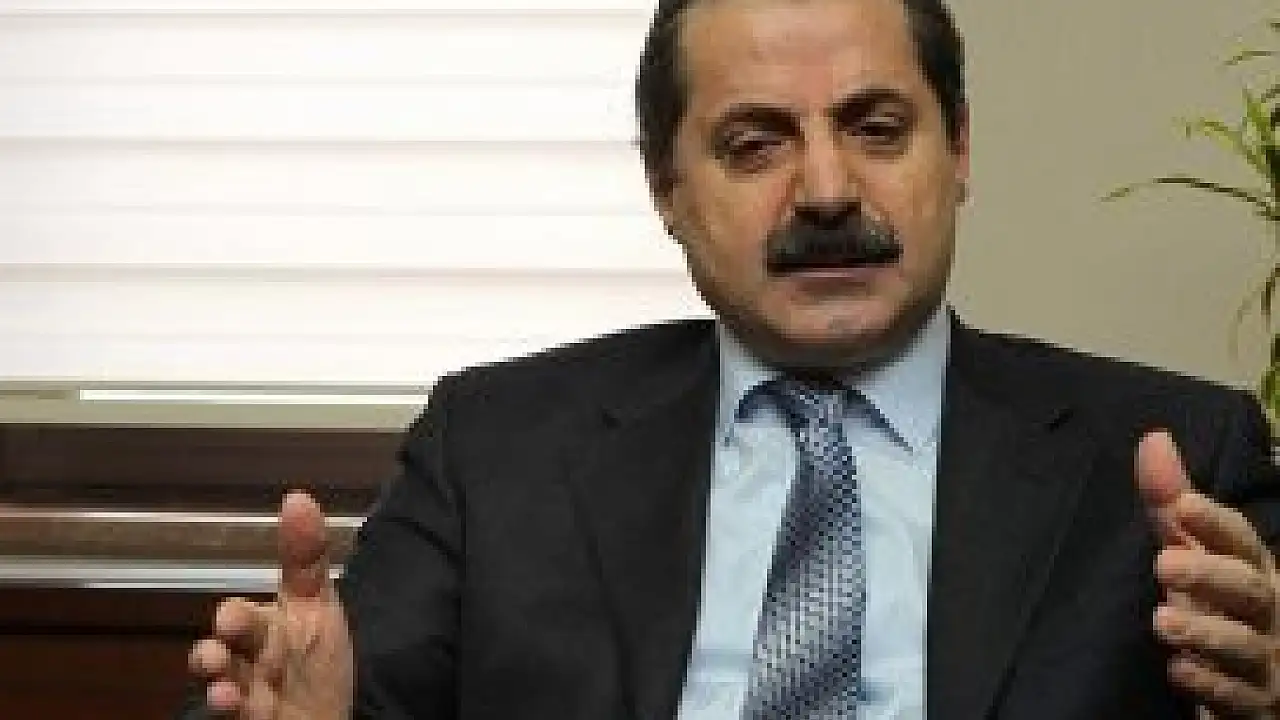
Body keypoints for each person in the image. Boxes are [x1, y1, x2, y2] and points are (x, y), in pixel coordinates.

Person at [184, 0, 1280, 718]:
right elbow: (308, 696)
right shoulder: (499, 449)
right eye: (755, 144)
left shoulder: (1174, 463)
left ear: (958, 149)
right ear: (664, 188)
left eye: (876, 129)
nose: (826, 191)